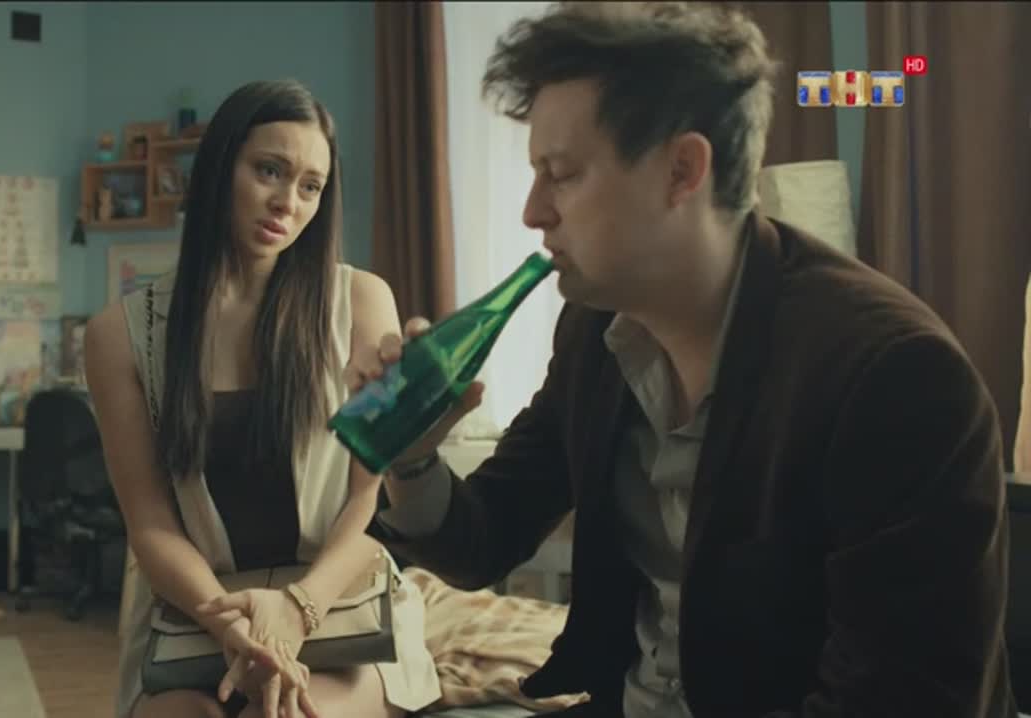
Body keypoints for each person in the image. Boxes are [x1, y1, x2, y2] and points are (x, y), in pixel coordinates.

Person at [348, 3, 1017, 717]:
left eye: (561, 174)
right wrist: (412, 461)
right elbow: (486, 539)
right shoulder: (596, 332)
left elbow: (899, 703)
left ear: (682, 170)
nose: (533, 211)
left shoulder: (896, 378)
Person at [84, 79, 441, 718]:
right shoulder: (120, 336)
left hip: (339, 610)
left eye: (311, 186)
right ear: (221, 168)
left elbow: (372, 501)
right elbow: (152, 525)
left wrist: (296, 610)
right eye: (269, 171)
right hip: (200, 616)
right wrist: (234, 628)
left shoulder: (363, 302)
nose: (287, 202)